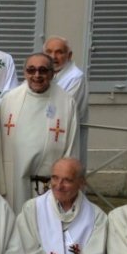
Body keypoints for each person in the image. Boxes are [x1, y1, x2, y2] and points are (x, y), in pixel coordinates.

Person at [0, 53, 78, 214]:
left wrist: (66, 179)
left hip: (50, 181)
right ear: (24, 73)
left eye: (43, 70)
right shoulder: (9, 100)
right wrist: (0, 182)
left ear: (52, 74)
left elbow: (72, 145)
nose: (36, 75)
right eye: (31, 70)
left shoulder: (66, 102)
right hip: (15, 178)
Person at [46, 36, 89, 166]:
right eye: (49, 52)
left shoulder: (75, 77)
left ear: (69, 55)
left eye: (59, 52)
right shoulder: (45, 73)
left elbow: (60, 106)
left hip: (65, 133)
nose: (53, 56)